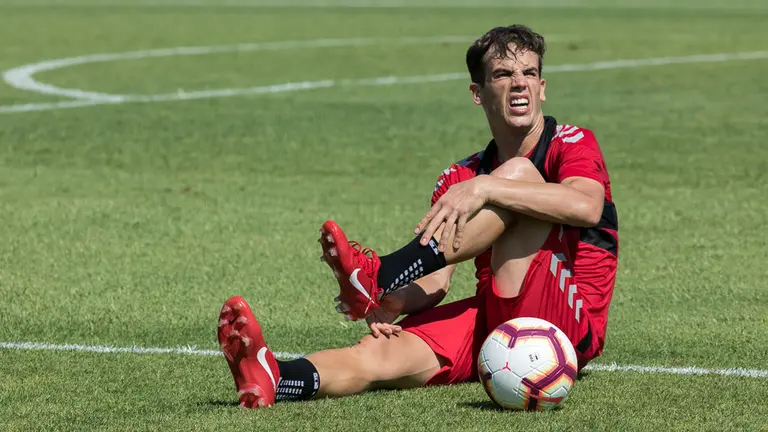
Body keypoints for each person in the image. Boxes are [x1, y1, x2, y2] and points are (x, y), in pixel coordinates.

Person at [217, 24, 619, 408]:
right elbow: (436, 281)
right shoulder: (461, 176)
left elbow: (586, 207)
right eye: (503, 74)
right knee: (382, 352)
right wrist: (396, 300)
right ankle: (278, 376)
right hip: (496, 315)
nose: (519, 83)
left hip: (567, 326)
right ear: (477, 93)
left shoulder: (572, 142)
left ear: (542, 88)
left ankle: (381, 273)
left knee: (519, 174)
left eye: (529, 73)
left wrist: (486, 187)